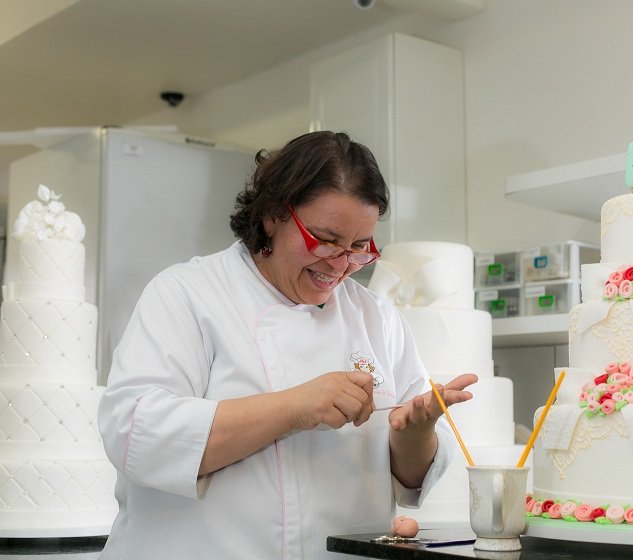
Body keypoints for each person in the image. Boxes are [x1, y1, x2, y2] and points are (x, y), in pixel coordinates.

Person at [97, 130, 477, 559]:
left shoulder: (378, 318)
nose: (341, 265)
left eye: (358, 247)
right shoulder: (189, 294)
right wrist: (293, 407)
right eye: (325, 240)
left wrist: (416, 432)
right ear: (274, 214)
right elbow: (135, 434)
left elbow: (408, 477)